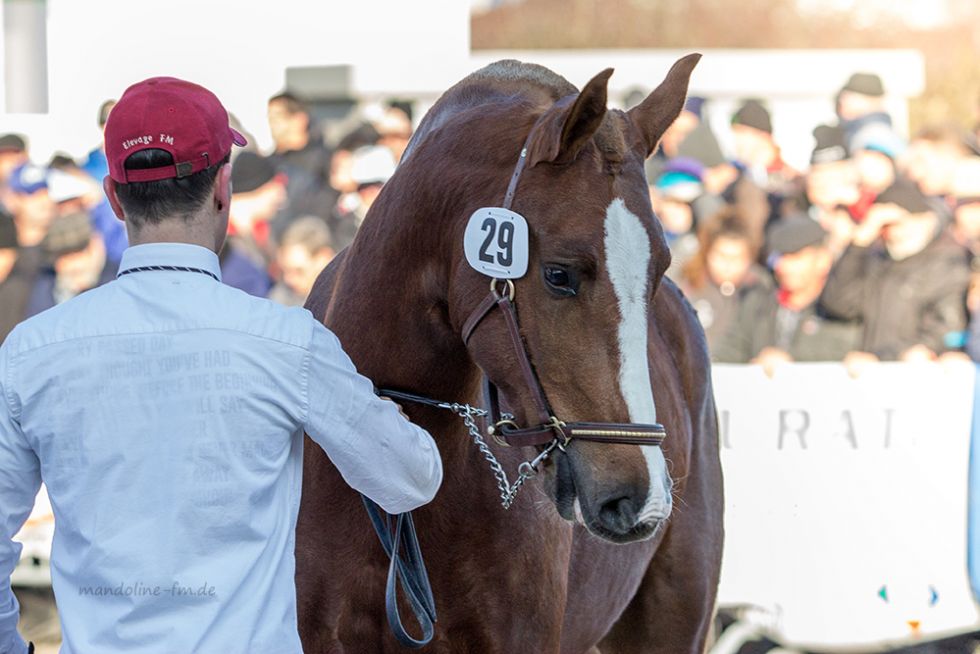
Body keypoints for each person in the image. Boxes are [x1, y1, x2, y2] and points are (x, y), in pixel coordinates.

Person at [0, 76, 442, 653]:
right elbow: (409, 479)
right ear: (222, 189)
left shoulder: (33, 351)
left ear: (113, 196)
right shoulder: (285, 341)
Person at [820, 179, 972, 363]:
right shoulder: (875, 260)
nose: (891, 232)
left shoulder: (947, 262)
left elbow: (948, 330)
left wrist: (887, 357)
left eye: (896, 223)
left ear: (922, 219)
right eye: (884, 225)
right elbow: (838, 304)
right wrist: (858, 244)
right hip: (869, 372)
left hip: (918, 373)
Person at [713, 214, 860, 371]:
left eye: (795, 257)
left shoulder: (840, 307)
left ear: (822, 259)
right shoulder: (758, 302)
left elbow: (843, 351)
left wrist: (791, 362)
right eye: (780, 257)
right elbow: (730, 350)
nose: (783, 266)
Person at [678, 210, 770, 351]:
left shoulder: (759, 289)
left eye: (736, 258)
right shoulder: (687, 286)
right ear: (707, 252)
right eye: (721, 256)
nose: (728, 265)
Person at [23, 211, 118, 318]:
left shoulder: (120, 279)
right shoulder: (43, 288)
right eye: (65, 256)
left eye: (80, 251)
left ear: (97, 244)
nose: (76, 265)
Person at [266, 91, 336, 223]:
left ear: (300, 119)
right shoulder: (269, 162)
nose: (272, 124)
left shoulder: (325, 160)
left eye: (278, 118)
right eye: (270, 118)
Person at [329, 144, 397, 251]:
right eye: (364, 187)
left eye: (378, 185)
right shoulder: (346, 225)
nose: (371, 192)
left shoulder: (402, 218)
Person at [268, 216, 335, 307]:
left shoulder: (347, 296)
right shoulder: (280, 299)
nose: (288, 279)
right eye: (285, 270)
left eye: (298, 271)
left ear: (324, 257)